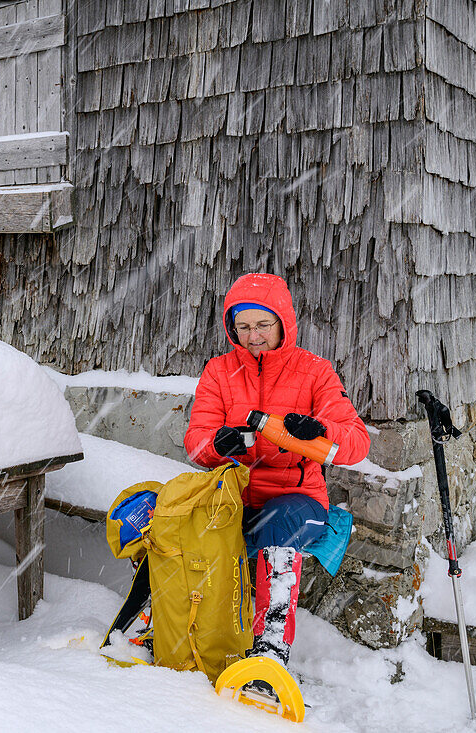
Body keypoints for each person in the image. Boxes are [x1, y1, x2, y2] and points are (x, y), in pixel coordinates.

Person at [183, 273, 370, 697]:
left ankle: (270, 650)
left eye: (263, 325)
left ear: (283, 322)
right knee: (185, 527)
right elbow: (196, 445)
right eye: (243, 327)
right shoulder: (219, 371)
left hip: (297, 497)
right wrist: (219, 443)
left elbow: (356, 442)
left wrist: (320, 429)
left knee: (278, 532)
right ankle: (175, 625)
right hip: (235, 495)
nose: (254, 337)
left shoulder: (314, 372)